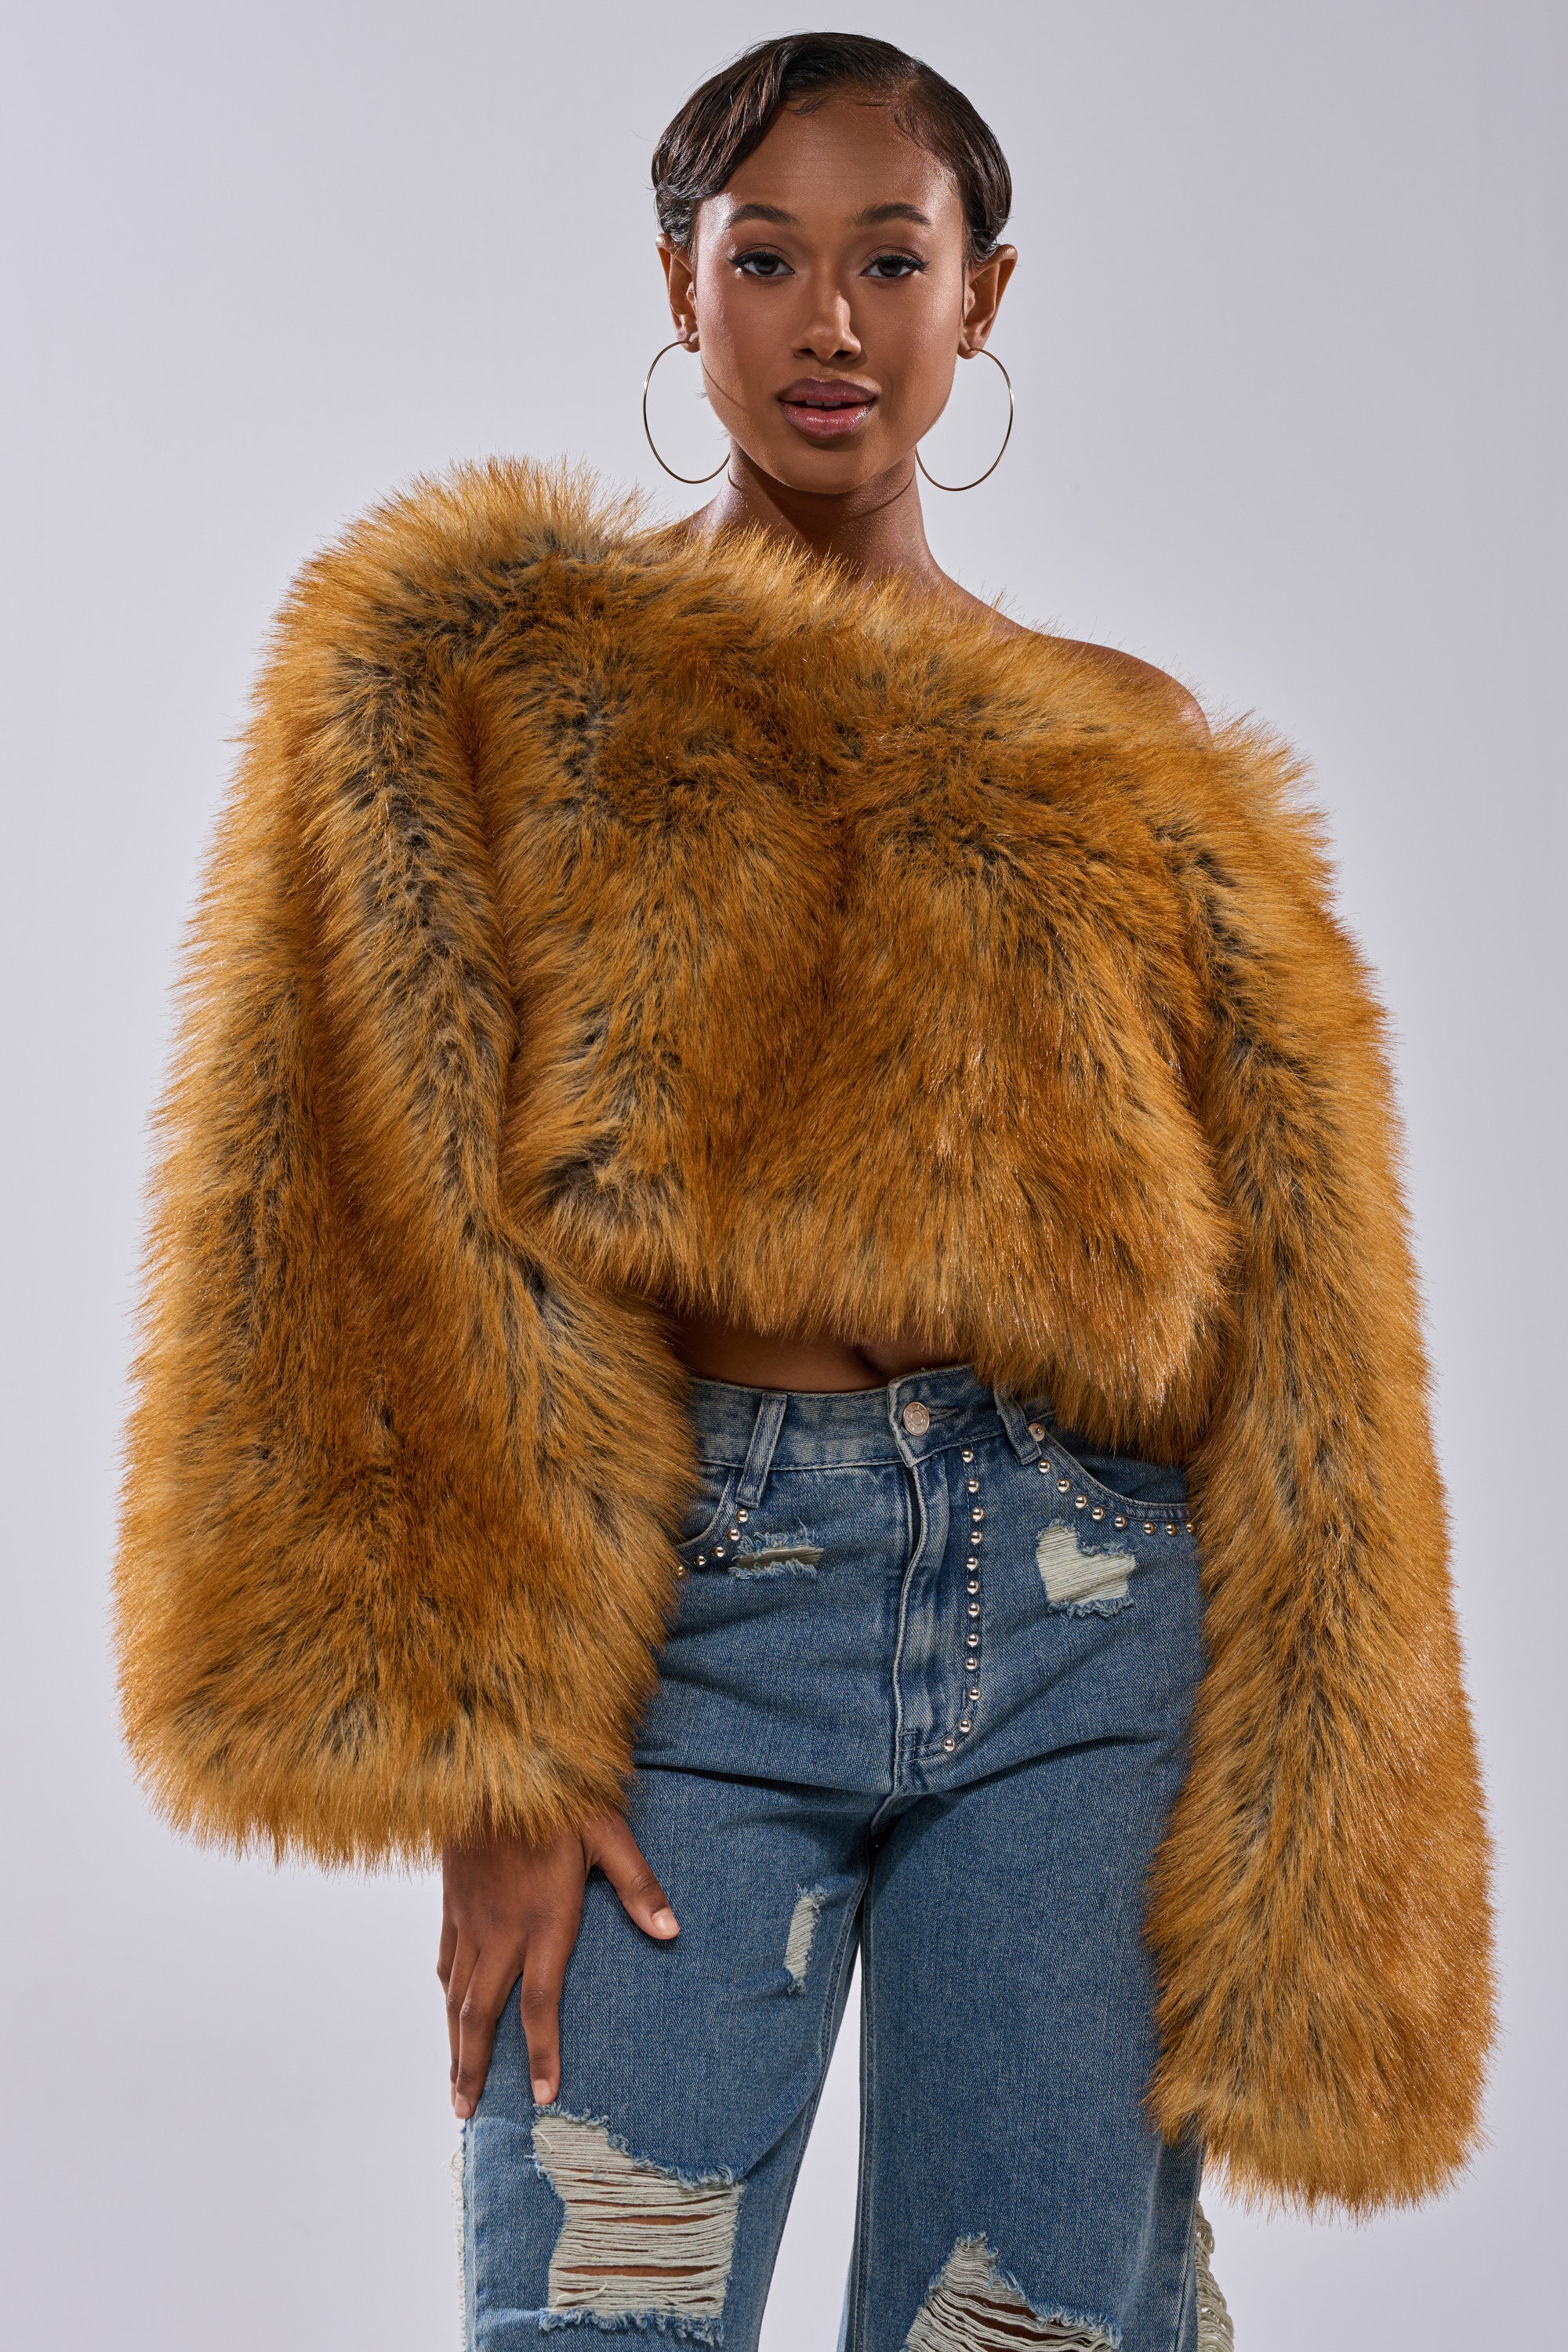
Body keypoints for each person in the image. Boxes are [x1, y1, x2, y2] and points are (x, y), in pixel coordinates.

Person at [114, 32, 1494, 2352]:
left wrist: (1325, 1809)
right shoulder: (494, 684)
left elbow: (1308, 1323)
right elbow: (368, 1214)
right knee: (599, 2306)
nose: (829, 322)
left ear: (985, 295)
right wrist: (492, 1748)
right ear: (680, 284)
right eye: (765, 261)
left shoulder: (1126, 745)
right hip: (686, 1619)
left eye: (891, 261)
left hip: (1085, 1618)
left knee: (1025, 2328)